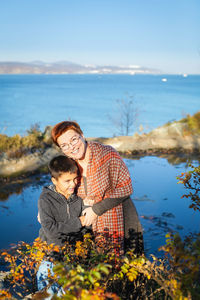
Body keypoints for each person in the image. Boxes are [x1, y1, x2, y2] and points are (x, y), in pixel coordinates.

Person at [51, 121, 143, 255]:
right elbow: (59, 185)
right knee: (94, 267)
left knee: (126, 266)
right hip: (88, 226)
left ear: (82, 135)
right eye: (64, 145)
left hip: (120, 218)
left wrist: (96, 210)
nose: (71, 147)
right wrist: (47, 207)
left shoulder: (106, 154)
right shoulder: (68, 164)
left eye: (74, 140)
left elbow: (126, 187)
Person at [37, 155, 90, 298]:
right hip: (51, 258)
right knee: (48, 295)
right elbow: (51, 231)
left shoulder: (79, 198)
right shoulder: (45, 199)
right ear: (54, 180)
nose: (73, 184)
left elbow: (87, 228)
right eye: (67, 181)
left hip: (73, 258)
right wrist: (79, 222)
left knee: (69, 295)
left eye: (75, 179)